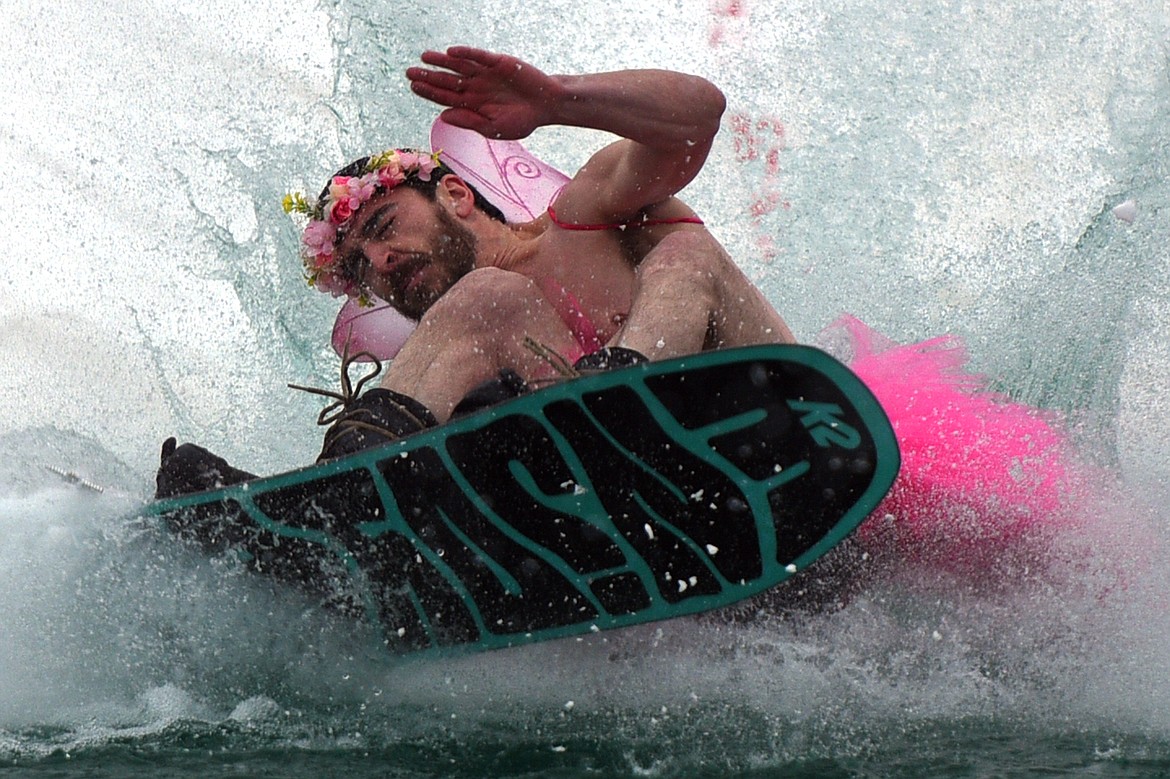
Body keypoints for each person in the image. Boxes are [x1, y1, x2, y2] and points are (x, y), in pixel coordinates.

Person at [156, 46, 791, 494]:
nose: (378, 262)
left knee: (686, 253)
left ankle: (622, 405)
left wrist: (556, 100)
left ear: (457, 197)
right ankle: (334, 503)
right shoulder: (460, 354)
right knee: (481, 357)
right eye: (358, 268)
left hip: (777, 433)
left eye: (383, 228)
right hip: (645, 508)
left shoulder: (587, 215)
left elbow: (697, 116)